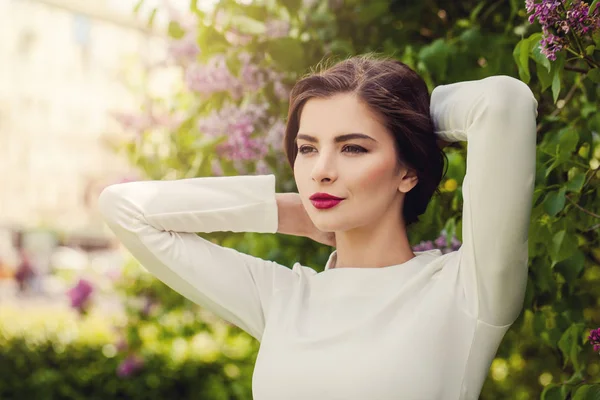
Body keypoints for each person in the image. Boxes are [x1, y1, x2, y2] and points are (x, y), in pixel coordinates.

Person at [98, 54, 537, 400]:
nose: (320, 171)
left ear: (408, 171)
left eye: (353, 148)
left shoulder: (465, 291)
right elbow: (124, 208)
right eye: (307, 149)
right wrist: (287, 211)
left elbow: (503, 104)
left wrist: (415, 119)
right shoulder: (280, 297)